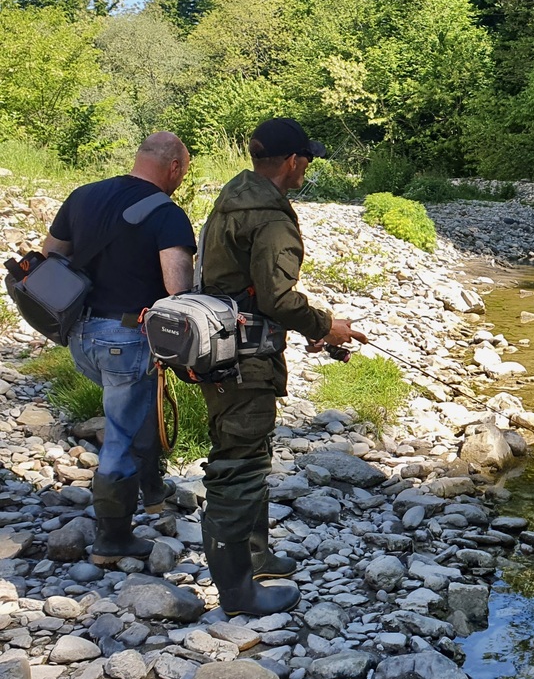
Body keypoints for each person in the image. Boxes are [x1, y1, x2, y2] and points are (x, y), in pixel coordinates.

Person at [198, 117, 367, 617]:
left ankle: (257, 556)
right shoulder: (270, 218)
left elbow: (248, 290)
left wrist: (303, 329)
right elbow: (275, 296)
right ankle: (238, 594)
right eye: (306, 159)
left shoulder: (234, 194)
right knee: (239, 465)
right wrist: (327, 325)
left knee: (249, 453)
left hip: (229, 349)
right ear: (293, 162)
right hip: (244, 363)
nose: (307, 166)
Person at [41, 133, 195, 564]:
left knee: (134, 410)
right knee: (122, 434)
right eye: (184, 171)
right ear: (175, 168)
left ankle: (152, 493)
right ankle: (113, 538)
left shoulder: (83, 196)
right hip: (125, 340)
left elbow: (50, 255)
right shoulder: (167, 214)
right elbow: (177, 290)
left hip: (80, 337)